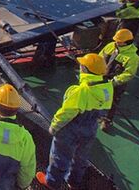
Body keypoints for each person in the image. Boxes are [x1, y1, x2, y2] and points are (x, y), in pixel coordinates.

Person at [36, 54, 113, 189]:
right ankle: (74, 182)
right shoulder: (108, 87)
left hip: (71, 129)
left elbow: (66, 113)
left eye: (82, 65)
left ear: (85, 70)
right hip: (91, 127)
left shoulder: (79, 91)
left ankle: (52, 182)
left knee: (59, 156)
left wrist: (54, 127)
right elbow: (104, 109)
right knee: (81, 157)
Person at [98, 28, 139, 131]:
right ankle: (96, 114)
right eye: (116, 40)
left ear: (127, 42)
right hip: (101, 77)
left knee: (112, 101)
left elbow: (129, 74)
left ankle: (107, 120)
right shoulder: (110, 46)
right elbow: (99, 57)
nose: (116, 42)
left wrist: (113, 82)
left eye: (119, 42)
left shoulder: (133, 58)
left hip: (116, 84)